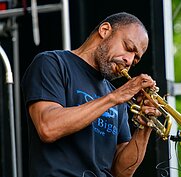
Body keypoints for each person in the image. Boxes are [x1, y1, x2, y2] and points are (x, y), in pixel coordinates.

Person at [21, 12, 161, 177]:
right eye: (128, 48)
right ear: (104, 30)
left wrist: (145, 126)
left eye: (135, 59)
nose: (129, 61)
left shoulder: (116, 97)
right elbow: (48, 127)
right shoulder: (52, 63)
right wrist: (114, 98)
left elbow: (121, 172)